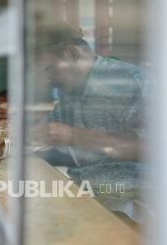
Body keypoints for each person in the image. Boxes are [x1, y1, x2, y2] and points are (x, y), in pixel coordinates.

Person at [33, 21, 149, 222]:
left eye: (50, 68)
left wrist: (74, 136)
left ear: (72, 53)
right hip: (86, 195)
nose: (48, 77)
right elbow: (51, 133)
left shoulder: (132, 81)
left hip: (131, 207)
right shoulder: (71, 89)